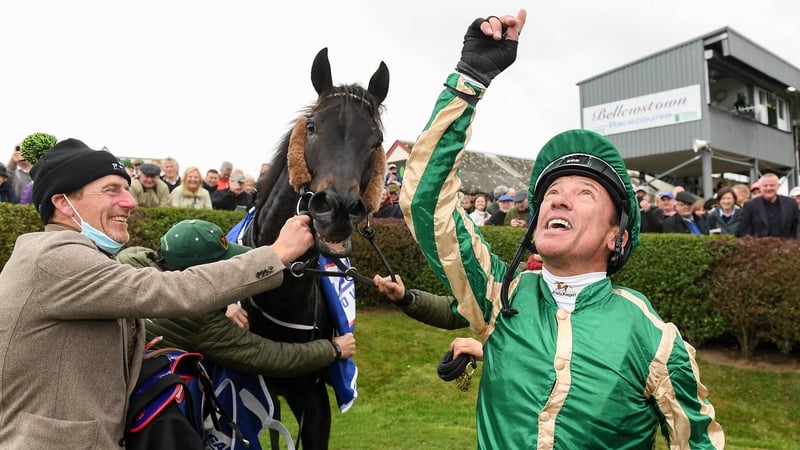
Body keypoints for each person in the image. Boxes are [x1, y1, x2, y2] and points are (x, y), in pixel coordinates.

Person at [397, 11, 723, 448]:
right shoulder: (501, 296)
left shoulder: (654, 339)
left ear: (617, 237)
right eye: (551, 191)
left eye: (585, 193)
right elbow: (425, 201)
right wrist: (469, 79)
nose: (557, 198)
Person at [0, 137, 314, 448]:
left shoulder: (69, 255)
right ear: (62, 202)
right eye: (112, 190)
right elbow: (174, 289)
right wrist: (276, 254)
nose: (130, 201)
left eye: (126, 188)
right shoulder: (57, 257)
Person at [117, 219, 355, 376]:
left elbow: (183, 287)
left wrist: (222, 303)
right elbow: (269, 356)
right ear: (201, 269)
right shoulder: (198, 320)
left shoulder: (130, 260)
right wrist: (332, 349)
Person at [736, 172, 800, 239]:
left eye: (772, 185)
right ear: (760, 187)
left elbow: (797, 227)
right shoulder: (750, 205)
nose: (768, 188)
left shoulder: (791, 203)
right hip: (759, 247)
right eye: (765, 186)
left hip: (787, 247)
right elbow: (744, 232)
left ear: (778, 186)